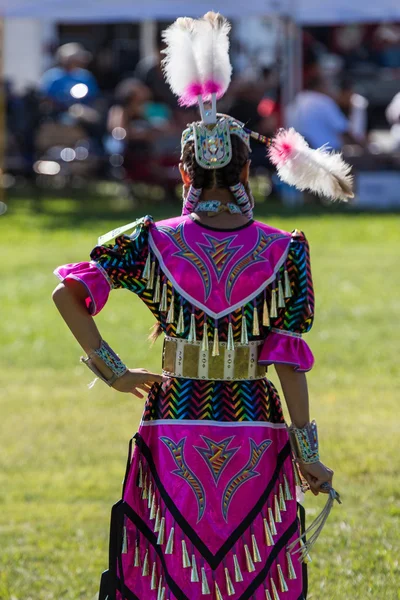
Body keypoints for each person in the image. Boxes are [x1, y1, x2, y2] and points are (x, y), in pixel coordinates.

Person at [52, 13, 346, 600]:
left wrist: (112, 371)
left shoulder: (146, 240)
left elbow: (68, 293)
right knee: (247, 573)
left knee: (172, 571)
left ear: (185, 170)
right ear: (246, 170)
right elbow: (287, 359)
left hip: (173, 418)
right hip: (253, 424)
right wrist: (308, 451)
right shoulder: (285, 251)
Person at [288, 75, 354, 151]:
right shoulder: (324, 101)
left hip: (300, 154)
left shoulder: (296, 101)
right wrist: (363, 145)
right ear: (319, 86)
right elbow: (343, 129)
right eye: (326, 85)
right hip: (325, 154)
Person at [40, 42, 99, 109]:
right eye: (73, 59)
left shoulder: (85, 76)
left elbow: (93, 95)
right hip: (57, 112)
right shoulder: (52, 76)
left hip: (82, 109)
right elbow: (45, 95)